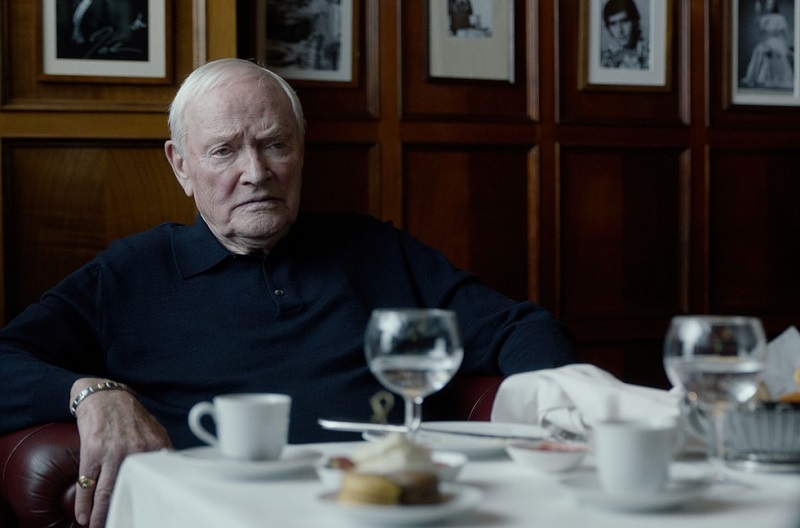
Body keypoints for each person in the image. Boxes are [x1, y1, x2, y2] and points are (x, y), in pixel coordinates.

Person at [0, 58, 576, 526]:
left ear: (301, 150)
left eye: (275, 144)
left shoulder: (374, 249)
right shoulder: (130, 274)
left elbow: (521, 328)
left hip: (382, 509)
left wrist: (558, 407)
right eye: (224, 150)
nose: (256, 172)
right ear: (181, 166)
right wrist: (91, 393)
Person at [740, 0, 794, 90]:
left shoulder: (780, 18)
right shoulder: (765, 18)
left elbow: (785, 34)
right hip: (768, 41)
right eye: (768, 4)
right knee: (758, 50)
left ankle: (770, 79)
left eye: (771, 4)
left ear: (774, 5)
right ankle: (753, 78)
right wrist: (757, 12)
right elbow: (761, 30)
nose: (769, 6)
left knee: (771, 51)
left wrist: (786, 46)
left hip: (778, 42)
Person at [600, 0, 650, 70]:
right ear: (608, 28)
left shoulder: (652, 52)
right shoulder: (606, 59)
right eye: (613, 24)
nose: (620, 30)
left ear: (635, 20)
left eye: (624, 21)